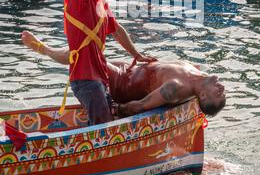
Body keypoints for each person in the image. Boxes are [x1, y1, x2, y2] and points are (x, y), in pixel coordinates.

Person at [22, 0, 154, 125]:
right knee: (103, 129)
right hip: (85, 80)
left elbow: (117, 30)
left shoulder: (100, 1)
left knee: (108, 119)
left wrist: (136, 54)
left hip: (100, 77)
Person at [22, 30, 226, 118]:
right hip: (128, 67)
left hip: (117, 81)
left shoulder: (175, 89)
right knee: (95, 40)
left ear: (204, 96)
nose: (222, 88)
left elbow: (139, 106)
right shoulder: (198, 72)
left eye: (219, 94)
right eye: (223, 92)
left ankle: (43, 48)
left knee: (82, 53)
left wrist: (114, 109)